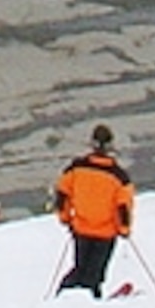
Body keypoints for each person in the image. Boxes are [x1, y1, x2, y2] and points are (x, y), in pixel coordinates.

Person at [52, 125, 136, 299]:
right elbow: (123, 208)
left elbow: (62, 194)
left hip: (81, 228)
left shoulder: (76, 169)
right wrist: (124, 230)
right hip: (105, 233)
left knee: (80, 267)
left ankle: (69, 297)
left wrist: (65, 217)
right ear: (111, 147)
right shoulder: (119, 177)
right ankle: (87, 302)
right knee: (95, 273)